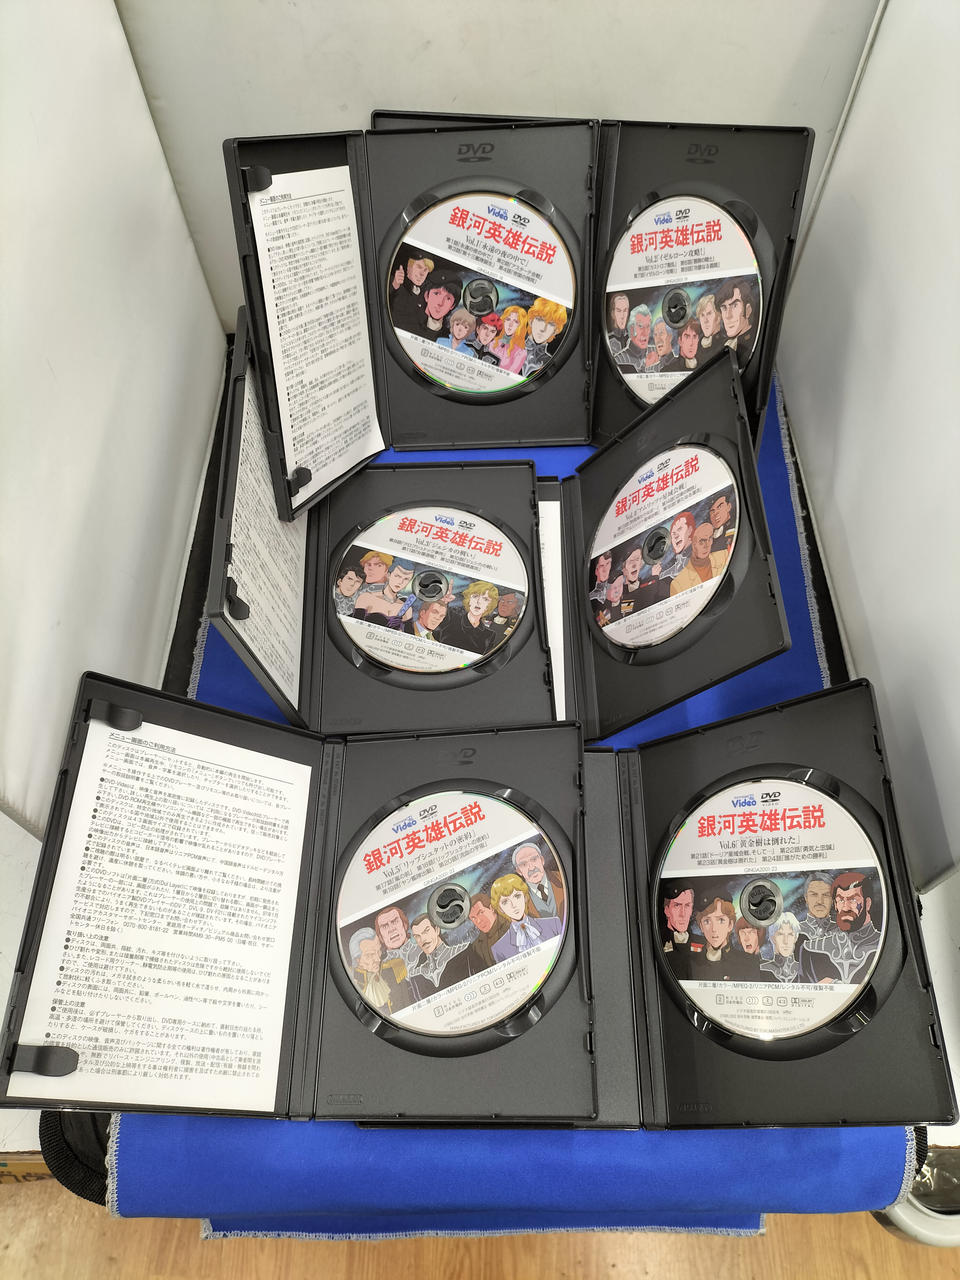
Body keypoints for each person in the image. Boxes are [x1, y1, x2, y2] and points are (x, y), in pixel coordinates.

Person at [800, 872, 881, 984]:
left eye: (853, 900)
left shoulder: (883, 943)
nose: (845, 907)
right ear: (835, 904)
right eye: (841, 900)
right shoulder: (811, 949)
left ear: (867, 903)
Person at [490, 874, 563, 962]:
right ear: (500, 909)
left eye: (517, 896)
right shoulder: (499, 949)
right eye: (505, 902)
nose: (513, 905)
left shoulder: (553, 924)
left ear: (524, 897)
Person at [688, 894, 756, 980]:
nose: (714, 929)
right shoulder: (690, 962)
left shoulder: (748, 963)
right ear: (701, 926)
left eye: (720, 920)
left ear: (730, 925)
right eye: (707, 921)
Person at [406, 914, 474, 1000]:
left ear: (437, 930)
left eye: (426, 931)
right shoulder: (415, 976)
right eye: (417, 936)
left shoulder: (465, 951)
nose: (423, 939)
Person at [347, 927, 411, 1016]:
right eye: (370, 955)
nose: (378, 959)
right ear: (357, 959)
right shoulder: (350, 981)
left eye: (379, 951)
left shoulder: (394, 969)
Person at [432, 581, 499, 655]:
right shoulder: (451, 617)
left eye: (485, 599)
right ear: (469, 600)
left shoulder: (489, 635)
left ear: (489, 605)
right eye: (475, 596)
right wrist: (443, 602)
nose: (479, 601)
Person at [669, 523, 728, 596]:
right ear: (693, 544)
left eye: (709, 539)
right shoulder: (677, 585)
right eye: (701, 541)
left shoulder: (725, 555)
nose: (706, 545)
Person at [512, 842, 565, 919]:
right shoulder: (517, 898)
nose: (531, 868)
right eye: (524, 864)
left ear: (542, 860)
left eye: (534, 859)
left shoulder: (561, 877)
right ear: (519, 871)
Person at [406, 269, 461, 342]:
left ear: (452, 305)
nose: (440, 303)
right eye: (436, 293)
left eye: (448, 298)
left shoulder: (449, 339)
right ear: (426, 296)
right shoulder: (409, 321)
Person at [715, 276, 758, 365]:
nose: (728, 316)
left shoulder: (755, 344)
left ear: (748, 310)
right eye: (724, 308)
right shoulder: (723, 345)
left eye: (734, 305)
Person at [389, 253, 434, 332]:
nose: (422, 274)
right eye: (419, 267)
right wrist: (394, 285)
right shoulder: (394, 281)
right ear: (409, 267)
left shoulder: (427, 294)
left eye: (425, 270)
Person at [661, 882, 697, 979]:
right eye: (677, 905)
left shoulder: (703, 944)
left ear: (692, 909)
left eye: (687, 906)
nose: (683, 914)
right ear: (667, 910)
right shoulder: (658, 942)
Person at [521, 298, 567, 376]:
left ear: (555, 331)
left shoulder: (550, 363)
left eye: (551, 324)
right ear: (531, 321)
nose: (543, 329)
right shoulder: (511, 349)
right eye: (540, 320)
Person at [467, 893, 509, 969]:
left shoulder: (511, 926)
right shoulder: (477, 946)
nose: (478, 921)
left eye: (480, 913)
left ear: (491, 908)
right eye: (473, 918)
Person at [374, 905, 421, 972]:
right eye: (385, 926)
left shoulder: (423, 950)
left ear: (405, 925)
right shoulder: (381, 970)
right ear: (380, 936)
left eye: (395, 922)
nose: (391, 929)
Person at [759, 912, 803, 983]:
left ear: (795, 938)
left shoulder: (805, 969)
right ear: (773, 938)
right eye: (780, 934)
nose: (786, 941)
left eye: (790, 934)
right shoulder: (762, 969)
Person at [614, 304, 656, 373]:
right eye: (640, 326)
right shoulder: (619, 360)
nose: (645, 332)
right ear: (631, 329)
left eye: (648, 326)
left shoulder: (657, 352)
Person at [487, 305, 528, 374]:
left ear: (520, 326)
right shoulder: (492, 342)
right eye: (508, 319)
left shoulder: (520, 353)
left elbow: (511, 375)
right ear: (503, 320)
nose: (510, 324)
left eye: (516, 321)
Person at [796, 873, 835, 942]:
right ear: (806, 898)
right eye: (814, 895)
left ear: (832, 899)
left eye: (826, 895)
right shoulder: (794, 932)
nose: (820, 901)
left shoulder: (842, 932)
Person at [695, 292, 725, 362]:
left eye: (709, 314)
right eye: (702, 315)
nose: (705, 320)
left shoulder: (725, 344)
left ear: (718, 317)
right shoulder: (696, 346)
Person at [707, 491, 736, 555]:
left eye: (719, 507)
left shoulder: (735, 528)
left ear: (728, 506)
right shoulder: (708, 538)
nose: (715, 513)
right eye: (712, 511)